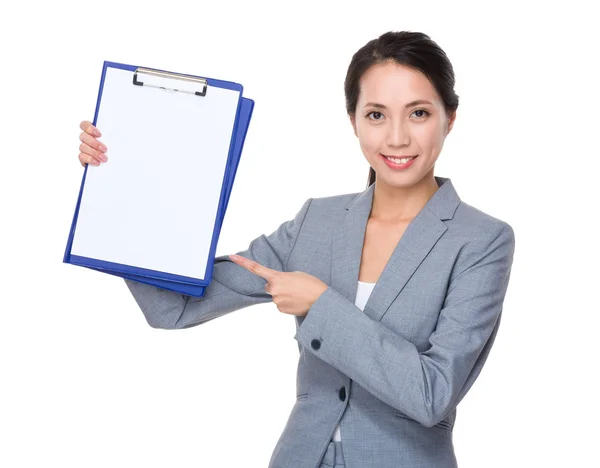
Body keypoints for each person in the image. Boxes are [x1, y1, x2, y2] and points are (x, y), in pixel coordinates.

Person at [77, 31, 515, 468]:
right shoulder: (317, 223)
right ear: (354, 121)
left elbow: (432, 393)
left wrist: (321, 305)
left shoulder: (481, 240)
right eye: (377, 115)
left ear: (450, 117)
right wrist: (120, 182)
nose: (397, 138)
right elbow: (172, 307)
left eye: (418, 113)